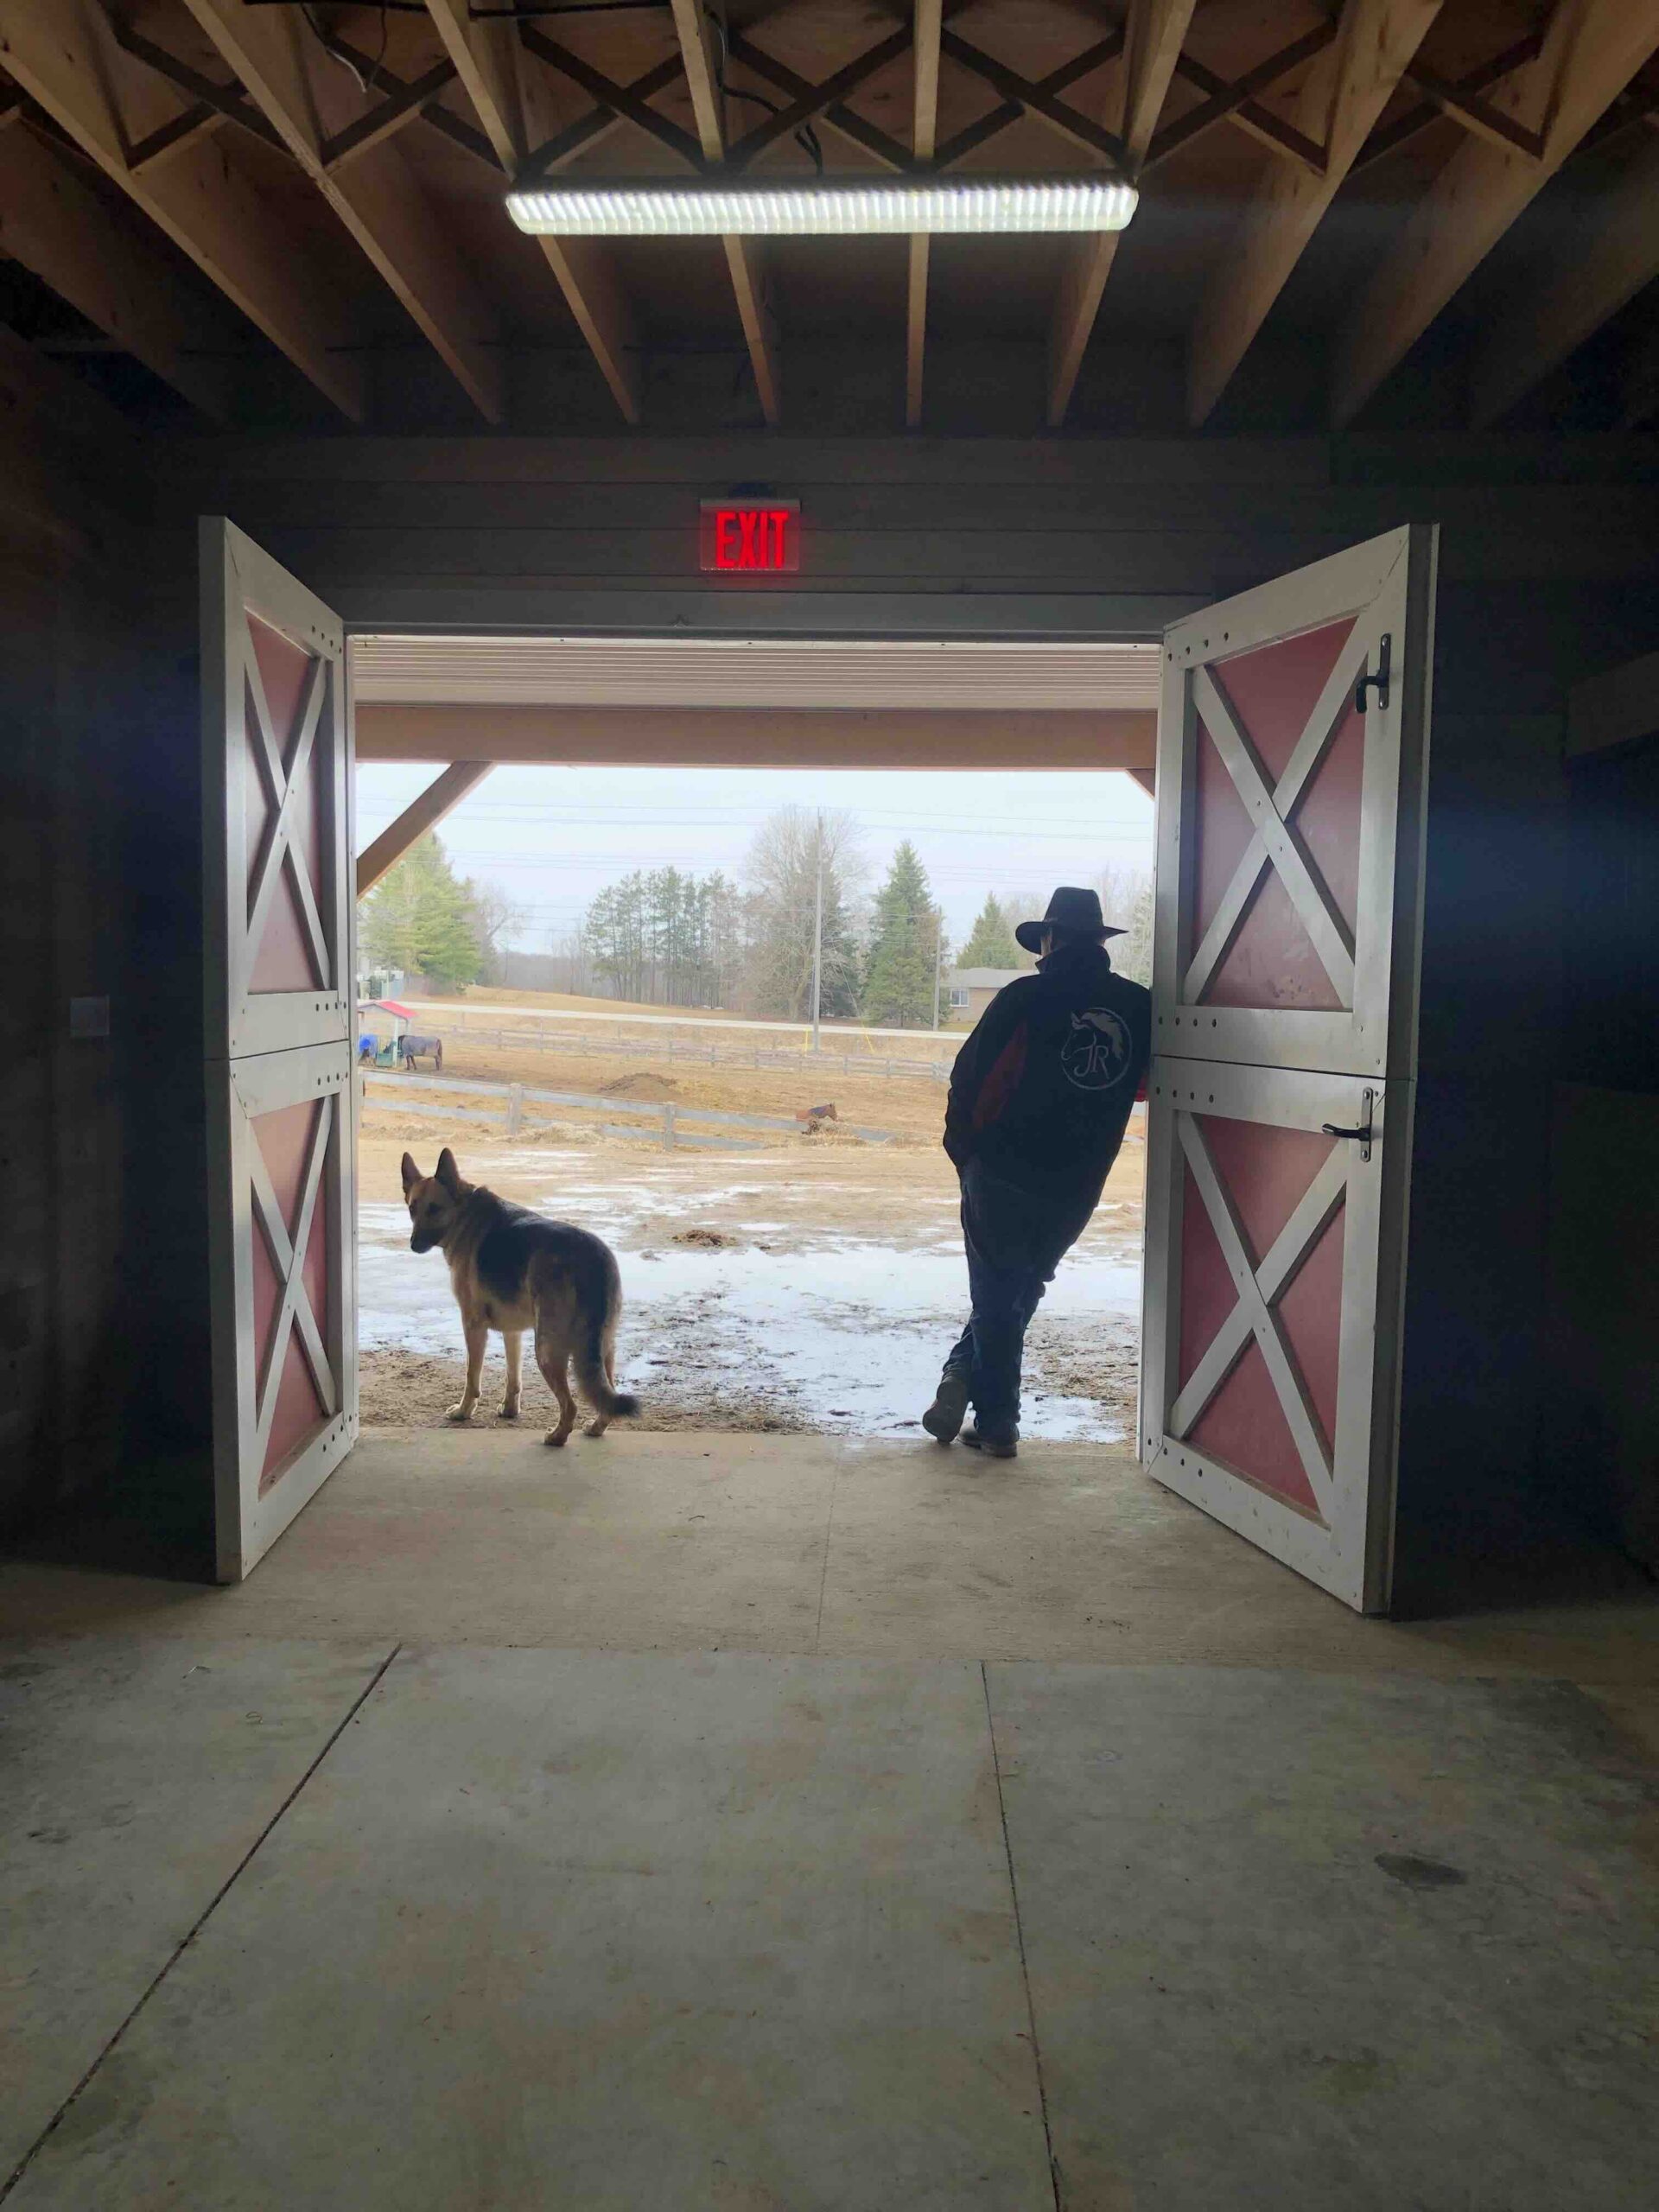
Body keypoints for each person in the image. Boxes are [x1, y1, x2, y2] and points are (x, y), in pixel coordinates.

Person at [925, 887, 1152, 1459]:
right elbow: (1146, 1086)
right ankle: (959, 1377)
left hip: (1001, 1170)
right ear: (1099, 941)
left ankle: (999, 1422)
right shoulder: (1139, 1007)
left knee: (997, 1297)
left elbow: (969, 1078)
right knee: (1021, 1288)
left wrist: (965, 1153)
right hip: (1078, 1182)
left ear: (1050, 939)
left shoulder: (1025, 997)